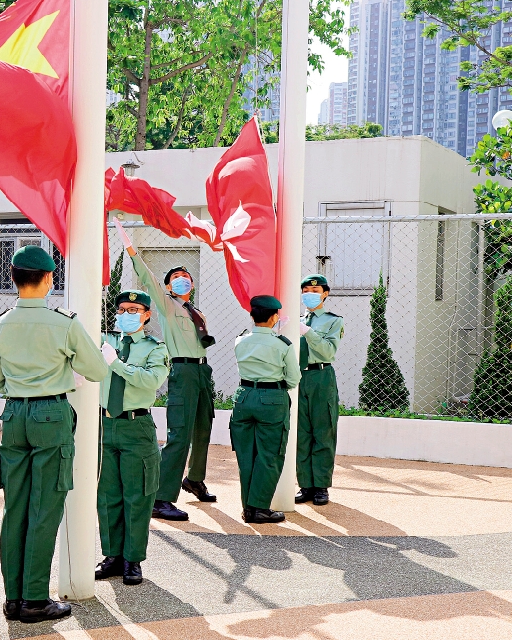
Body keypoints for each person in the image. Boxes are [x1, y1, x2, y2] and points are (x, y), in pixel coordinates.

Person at [0, 245, 108, 624]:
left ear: (13, 278)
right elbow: (97, 369)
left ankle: (12, 598)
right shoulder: (65, 323)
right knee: (45, 509)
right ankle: (35, 600)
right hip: (50, 413)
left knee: (15, 509)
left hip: (15, 414)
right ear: (48, 278)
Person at [113, 218, 215, 522]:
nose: (183, 280)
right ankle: (161, 497)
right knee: (180, 434)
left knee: (202, 429)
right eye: (176, 278)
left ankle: (194, 478)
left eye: (187, 277)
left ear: (192, 285)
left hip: (201, 372)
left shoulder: (195, 310)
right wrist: (131, 249)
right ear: (169, 286)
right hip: (182, 372)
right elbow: (148, 278)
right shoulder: (168, 304)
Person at [95, 289, 168, 586]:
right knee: (108, 494)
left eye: (134, 310)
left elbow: (151, 380)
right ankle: (112, 556)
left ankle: (133, 559)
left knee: (137, 495)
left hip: (136, 426)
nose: (127, 315)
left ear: (147, 315)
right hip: (104, 425)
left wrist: (116, 364)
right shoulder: (105, 340)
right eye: (123, 309)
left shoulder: (154, 348)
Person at [230, 295, 301, 523]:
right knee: (269, 455)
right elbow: (293, 379)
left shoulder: (240, 341)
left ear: (252, 316)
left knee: (246, 455)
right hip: (272, 399)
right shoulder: (283, 345)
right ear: (274, 318)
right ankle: (259, 508)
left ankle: (247, 509)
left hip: (243, 397)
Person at [296, 274, 345, 506]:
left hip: (321, 375)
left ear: (325, 294)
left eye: (315, 291)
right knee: (301, 432)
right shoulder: (294, 319)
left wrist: (307, 332)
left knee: (323, 430)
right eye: (306, 290)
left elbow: (326, 351)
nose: (310, 295)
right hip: (299, 376)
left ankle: (321, 486)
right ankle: (305, 484)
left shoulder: (333, 321)